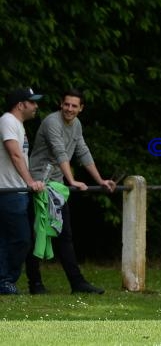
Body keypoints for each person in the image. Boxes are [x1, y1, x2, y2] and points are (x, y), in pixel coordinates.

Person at [25, 89, 116, 294]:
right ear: (61, 104)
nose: (69, 109)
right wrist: (72, 180)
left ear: (81, 108)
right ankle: (35, 284)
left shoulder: (76, 125)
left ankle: (77, 283)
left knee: (64, 236)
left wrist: (100, 180)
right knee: (36, 235)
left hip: (56, 187)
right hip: (38, 184)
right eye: (67, 104)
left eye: (74, 106)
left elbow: (83, 151)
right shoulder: (51, 122)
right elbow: (59, 152)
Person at [0, 88, 45, 295]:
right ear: (20, 104)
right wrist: (30, 182)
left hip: (16, 192)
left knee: (8, 239)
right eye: (32, 102)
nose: (36, 106)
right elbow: (15, 154)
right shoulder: (8, 120)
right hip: (10, 191)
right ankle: (6, 280)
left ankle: (4, 281)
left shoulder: (17, 124)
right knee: (21, 239)